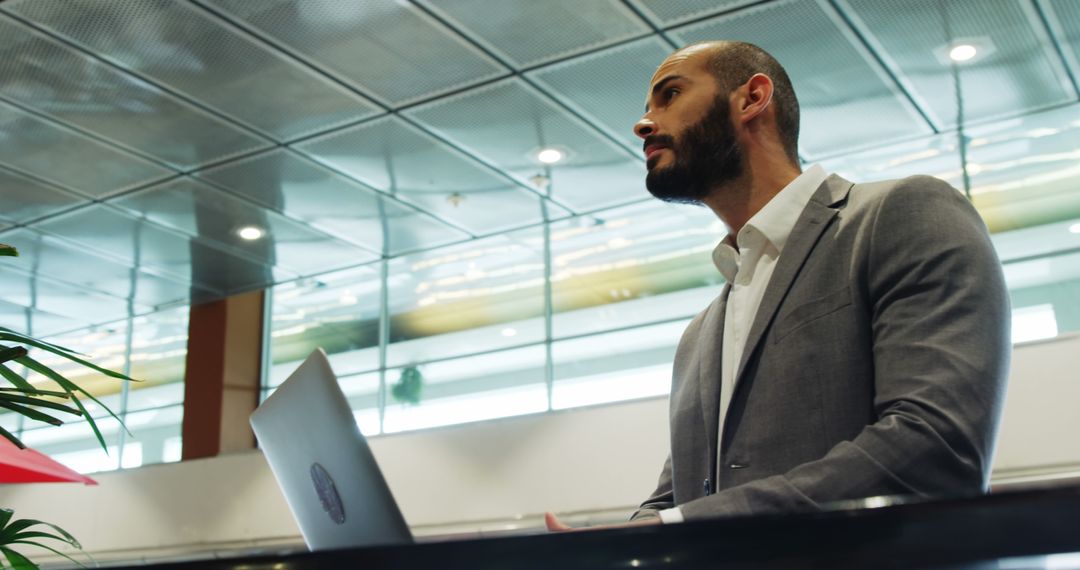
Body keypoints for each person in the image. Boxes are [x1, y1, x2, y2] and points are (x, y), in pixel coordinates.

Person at [545, 41, 1009, 530]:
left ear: (752, 98)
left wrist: (671, 529)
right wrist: (605, 548)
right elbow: (681, 496)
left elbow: (935, 448)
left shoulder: (904, 213)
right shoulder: (699, 335)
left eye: (671, 95)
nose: (643, 125)